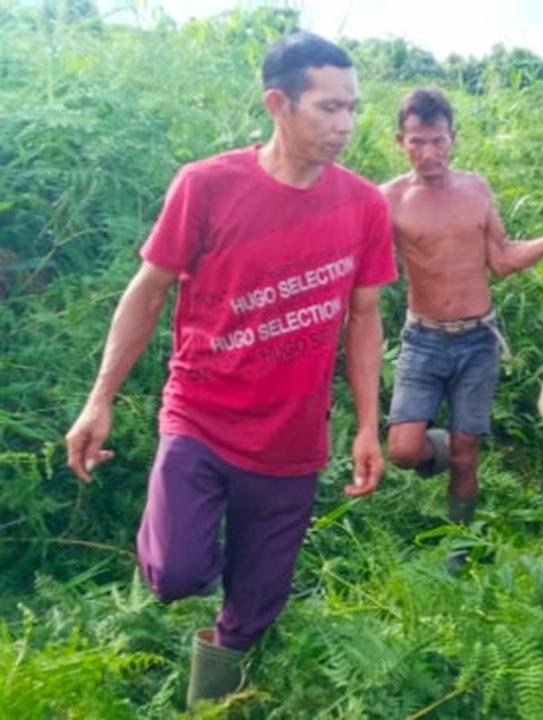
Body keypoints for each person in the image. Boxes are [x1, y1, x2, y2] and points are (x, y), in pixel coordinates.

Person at [62, 32, 396, 708]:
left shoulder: (364, 205)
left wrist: (369, 426)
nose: (345, 125)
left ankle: (210, 700)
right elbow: (148, 289)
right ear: (279, 102)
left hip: (294, 442)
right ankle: (208, 567)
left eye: (352, 109)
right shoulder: (208, 186)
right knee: (174, 571)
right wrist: (99, 401)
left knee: (254, 610)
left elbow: (364, 319)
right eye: (328, 108)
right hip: (202, 419)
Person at [381, 88, 543, 535]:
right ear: (401, 141)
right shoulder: (390, 200)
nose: (429, 152)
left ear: (453, 137)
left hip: (478, 339)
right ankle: (434, 447)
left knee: (466, 452)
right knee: (402, 450)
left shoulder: (476, 189)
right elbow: (365, 263)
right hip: (423, 339)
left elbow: (501, 258)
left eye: (438, 140)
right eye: (417, 142)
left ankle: (458, 542)